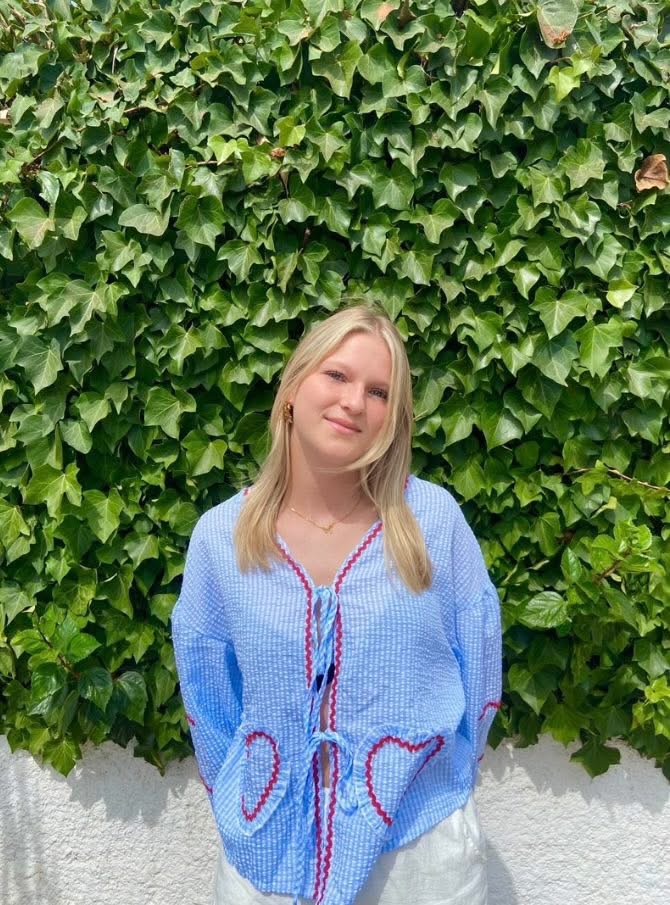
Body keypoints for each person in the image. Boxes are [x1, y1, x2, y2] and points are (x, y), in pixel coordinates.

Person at [170, 301, 503, 905]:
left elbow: (479, 666)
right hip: (265, 861)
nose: (354, 403)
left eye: (379, 393)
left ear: (393, 420)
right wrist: (242, 799)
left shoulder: (432, 522)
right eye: (337, 376)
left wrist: (440, 781)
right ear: (292, 389)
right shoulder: (222, 537)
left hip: (420, 855)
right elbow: (208, 692)